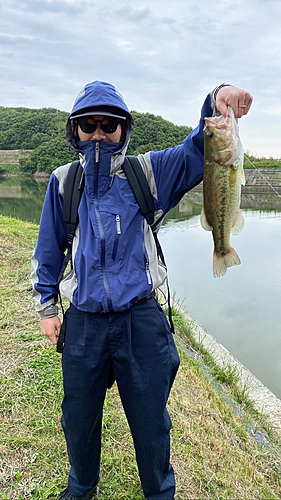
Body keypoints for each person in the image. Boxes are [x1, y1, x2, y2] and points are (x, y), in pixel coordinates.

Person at [31, 80, 253, 500]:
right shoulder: (63, 182)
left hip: (141, 319)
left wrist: (217, 99)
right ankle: (81, 487)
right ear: (75, 130)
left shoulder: (147, 172)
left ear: (123, 129)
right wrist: (47, 309)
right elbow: (48, 249)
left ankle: (159, 493)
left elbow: (196, 151)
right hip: (83, 323)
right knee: (77, 418)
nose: (99, 133)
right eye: (88, 125)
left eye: (108, 124)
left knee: (152, 421)